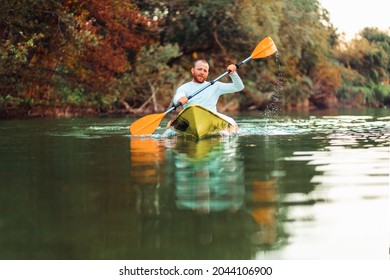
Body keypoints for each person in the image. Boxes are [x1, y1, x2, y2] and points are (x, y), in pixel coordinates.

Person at [173, 59, 245, 113]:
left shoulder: (215, 86)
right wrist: (179, 99)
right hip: (191, 117)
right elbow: (178, 96)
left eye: (205, 71)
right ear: (192, 70)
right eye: (199, 69)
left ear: (207, 73)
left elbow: (239, 87)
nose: (202, 72)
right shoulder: (184, 87)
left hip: (210, 116)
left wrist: (233, 74)